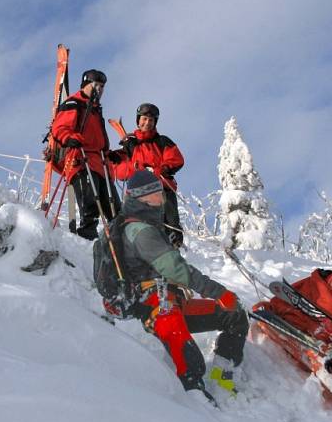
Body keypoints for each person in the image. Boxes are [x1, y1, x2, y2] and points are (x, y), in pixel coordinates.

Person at [113, 169, 248, 395]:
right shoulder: (140, 231)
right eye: (157, 194)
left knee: (235, 315)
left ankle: (221, 377)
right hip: (155, 308)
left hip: (171, 303)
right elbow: (176, 270)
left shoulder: (147, 227)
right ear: (143, 198)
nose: (161, 198)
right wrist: (218, 292)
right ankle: (196, 416)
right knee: (191, 368)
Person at [51, 69, 119, 240]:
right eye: (95, 85)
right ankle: (87, 239)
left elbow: (98, 140)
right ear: (85, 85)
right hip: (80, 159)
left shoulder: (96, 110)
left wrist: (110, 154)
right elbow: (60, 128)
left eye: (102, 86)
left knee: (115, 209)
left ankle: (119, 241)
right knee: (90, 204)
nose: (99, 90)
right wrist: (69, 138)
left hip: (100, 163)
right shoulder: (74, 103)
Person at [109, 103, 185, 246]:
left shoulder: (162, 141)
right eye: (144, 119)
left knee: (171, 224)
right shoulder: (130, 145)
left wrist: (161, 169)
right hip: (140, 193)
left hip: (162, 189)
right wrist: (136, 168)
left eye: (151, 120)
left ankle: (173, 250)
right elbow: (120, 171)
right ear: (138, 120)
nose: (147, 123)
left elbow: (176, 159)